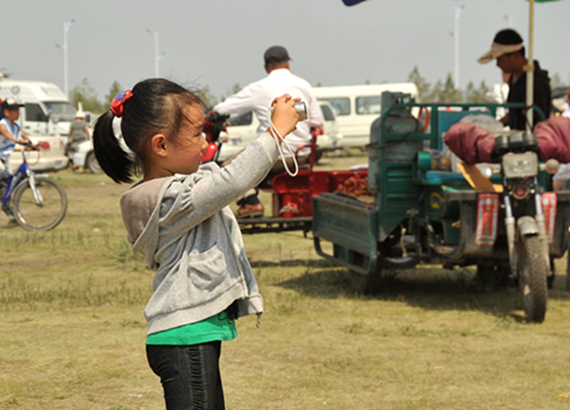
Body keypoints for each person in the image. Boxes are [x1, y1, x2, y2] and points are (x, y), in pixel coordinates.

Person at [92, 78, 300, 410]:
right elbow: (233, 181)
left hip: (188, 337)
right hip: (185, 338)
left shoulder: (177, 191)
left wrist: (202, 139)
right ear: (160, 146)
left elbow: (213, 173)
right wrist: (275, 132)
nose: (204, 141)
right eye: (195, 134)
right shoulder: (174, 199)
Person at [212, 45, 323, 218]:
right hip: (302, 154)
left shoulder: (258, 88)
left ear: (266, 67)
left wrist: (214, 114)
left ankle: (251, 203)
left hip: (273, 154)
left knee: (228, 166)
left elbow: (225, 108)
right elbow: (317, 121)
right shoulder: (303, 85)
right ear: (287, 64)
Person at [478, 28, 551, 131]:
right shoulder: (514, 78)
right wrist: (493, 126)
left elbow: (537, 122)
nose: (497, 64)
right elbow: (515, 114)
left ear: (515, 56)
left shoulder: (536, 82)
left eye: (500, 59)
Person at [0, 97, 34, 174]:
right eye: (15, 111)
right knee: (2, 173)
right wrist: (17, 141)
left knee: (11, 177)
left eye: (18, 111)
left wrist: (33, 145)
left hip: (6, 159)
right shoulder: (2, 124)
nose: (18, 113)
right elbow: (6, 134)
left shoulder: (16, 127)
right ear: (6, 112)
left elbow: (25, 137)